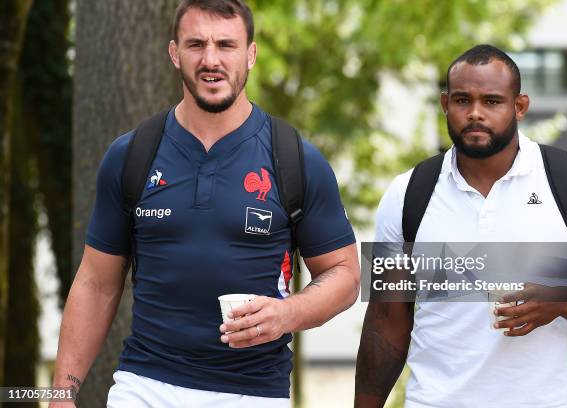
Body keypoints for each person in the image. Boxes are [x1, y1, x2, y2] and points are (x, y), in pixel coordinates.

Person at [51, 1, 360, 407]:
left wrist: (289, 314)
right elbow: (95, 283)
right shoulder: (132, 155)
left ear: (250, 54)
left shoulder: (295, 159)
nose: (210, 60)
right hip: (144, 385)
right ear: (174, 53)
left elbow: (345, 274)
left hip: (252, 392)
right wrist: (60, 394)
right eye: (196, 44)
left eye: (226, 45)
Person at [354, 44, 567, 408]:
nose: (475, 113)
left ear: (519, 106)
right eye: (462, 100)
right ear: (445, 104)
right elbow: (386, 319)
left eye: (492, 101)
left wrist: (560, 302)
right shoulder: (407, 193)